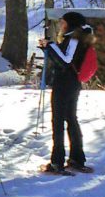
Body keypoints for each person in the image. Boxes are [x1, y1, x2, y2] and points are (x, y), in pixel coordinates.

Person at [38, 11, 94, 174]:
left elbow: (65, 60)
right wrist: (48, 48)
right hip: (73, 83)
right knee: (71, 119)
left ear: (70, 24)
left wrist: (50, 45)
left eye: (63, 22)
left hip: (65, 84)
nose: (61, 25)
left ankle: (57, 162)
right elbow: (65, 59)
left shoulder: (74, 38)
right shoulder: (82, 37)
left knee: (58, 121)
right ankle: (76, 158)